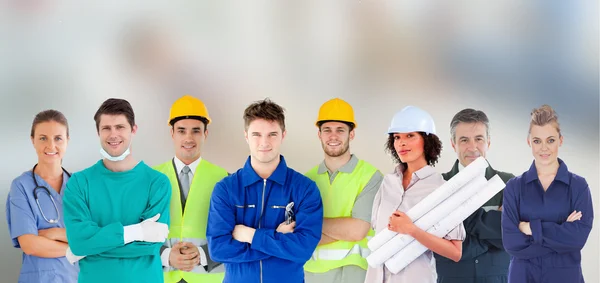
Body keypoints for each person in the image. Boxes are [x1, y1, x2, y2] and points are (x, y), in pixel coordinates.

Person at [207, 98, 323, 283]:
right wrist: (277, 240)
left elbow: (304, 249)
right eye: (256, 134)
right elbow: (219, 249)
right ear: (246, 136)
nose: (264, 142)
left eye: (272, 134)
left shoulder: (305, 189)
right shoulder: (226, 189)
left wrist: (250, 235)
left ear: (283, 135)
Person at [63, 98, 171, 283]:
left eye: (120, 127)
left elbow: (150, 246)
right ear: (98, 132)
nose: (113, 134)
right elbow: (79, 241)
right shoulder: (79, 183)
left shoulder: (157, 183)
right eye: (106, 128)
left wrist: (90, 245)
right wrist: (137, 232)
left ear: (133, 129)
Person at [365, 106, 465, 283]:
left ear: (427, 141)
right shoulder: (388, 182)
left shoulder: (441, 188)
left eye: (410, 136)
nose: (401, 143)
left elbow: (455, 252)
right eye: (397, 137)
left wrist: (412, 230)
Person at [501, 105, 593, 283]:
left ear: (561, 140)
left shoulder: (578, 186)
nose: (544, 148)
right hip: (523, 277)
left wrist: (530, 229)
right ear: (529, 142)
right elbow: (511, 243)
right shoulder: (514, 187)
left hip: (565, 277)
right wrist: (560, 233)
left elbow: (577, 239)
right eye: (537, 141)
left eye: (550, 140)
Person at [304, 98, 383, 283]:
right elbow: (300, 235)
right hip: (311, 275)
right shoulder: (306, 180)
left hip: (354, 274)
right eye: (327, 130)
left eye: (340, 130)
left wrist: (310, 223)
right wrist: (341, 228)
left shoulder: (370, 177)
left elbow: (357, 230)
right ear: (319, 134)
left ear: (351, 134)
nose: (333, 136)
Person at [154, 95, 228, 283]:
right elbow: (135, 229)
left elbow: (234, 233)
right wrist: (166, 255)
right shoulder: (151, 179)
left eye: (196, 131)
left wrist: (202, 255)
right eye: (181, 131)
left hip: (207, 278)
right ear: (172, 133)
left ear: (205, 134)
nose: (188, 138)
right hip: (162, 277)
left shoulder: (224, 179)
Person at [435, 108, 514, 283]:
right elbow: (434, 246)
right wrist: (493, 229)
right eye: (464, 140)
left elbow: (514, 238)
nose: (472, 147)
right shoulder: (437, 186)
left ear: (488, 143)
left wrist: (460, 223)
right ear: (453, 144)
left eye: (479, 139)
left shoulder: (509, 184)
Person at [6, 110, 79, 283]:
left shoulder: (80, 185)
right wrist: (76, 248)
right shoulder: (21, 186)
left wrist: (53, 233)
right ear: (33, 141)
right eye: (43, 138)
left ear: (67, 141)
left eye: (58, 138)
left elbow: (91, 236)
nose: (51, 146)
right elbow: (30, 244)